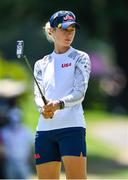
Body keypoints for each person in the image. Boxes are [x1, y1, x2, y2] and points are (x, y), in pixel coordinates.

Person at [34, 10, 91, 179]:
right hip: (44, 131)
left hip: (72, 128)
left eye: (72, 29)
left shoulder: (80, 58)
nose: (69, 34)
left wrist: (57, 104)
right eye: (64, 29)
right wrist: (42, 108)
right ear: (51, 31)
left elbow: (80, 93)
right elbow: (38, 94)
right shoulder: (41, 64)